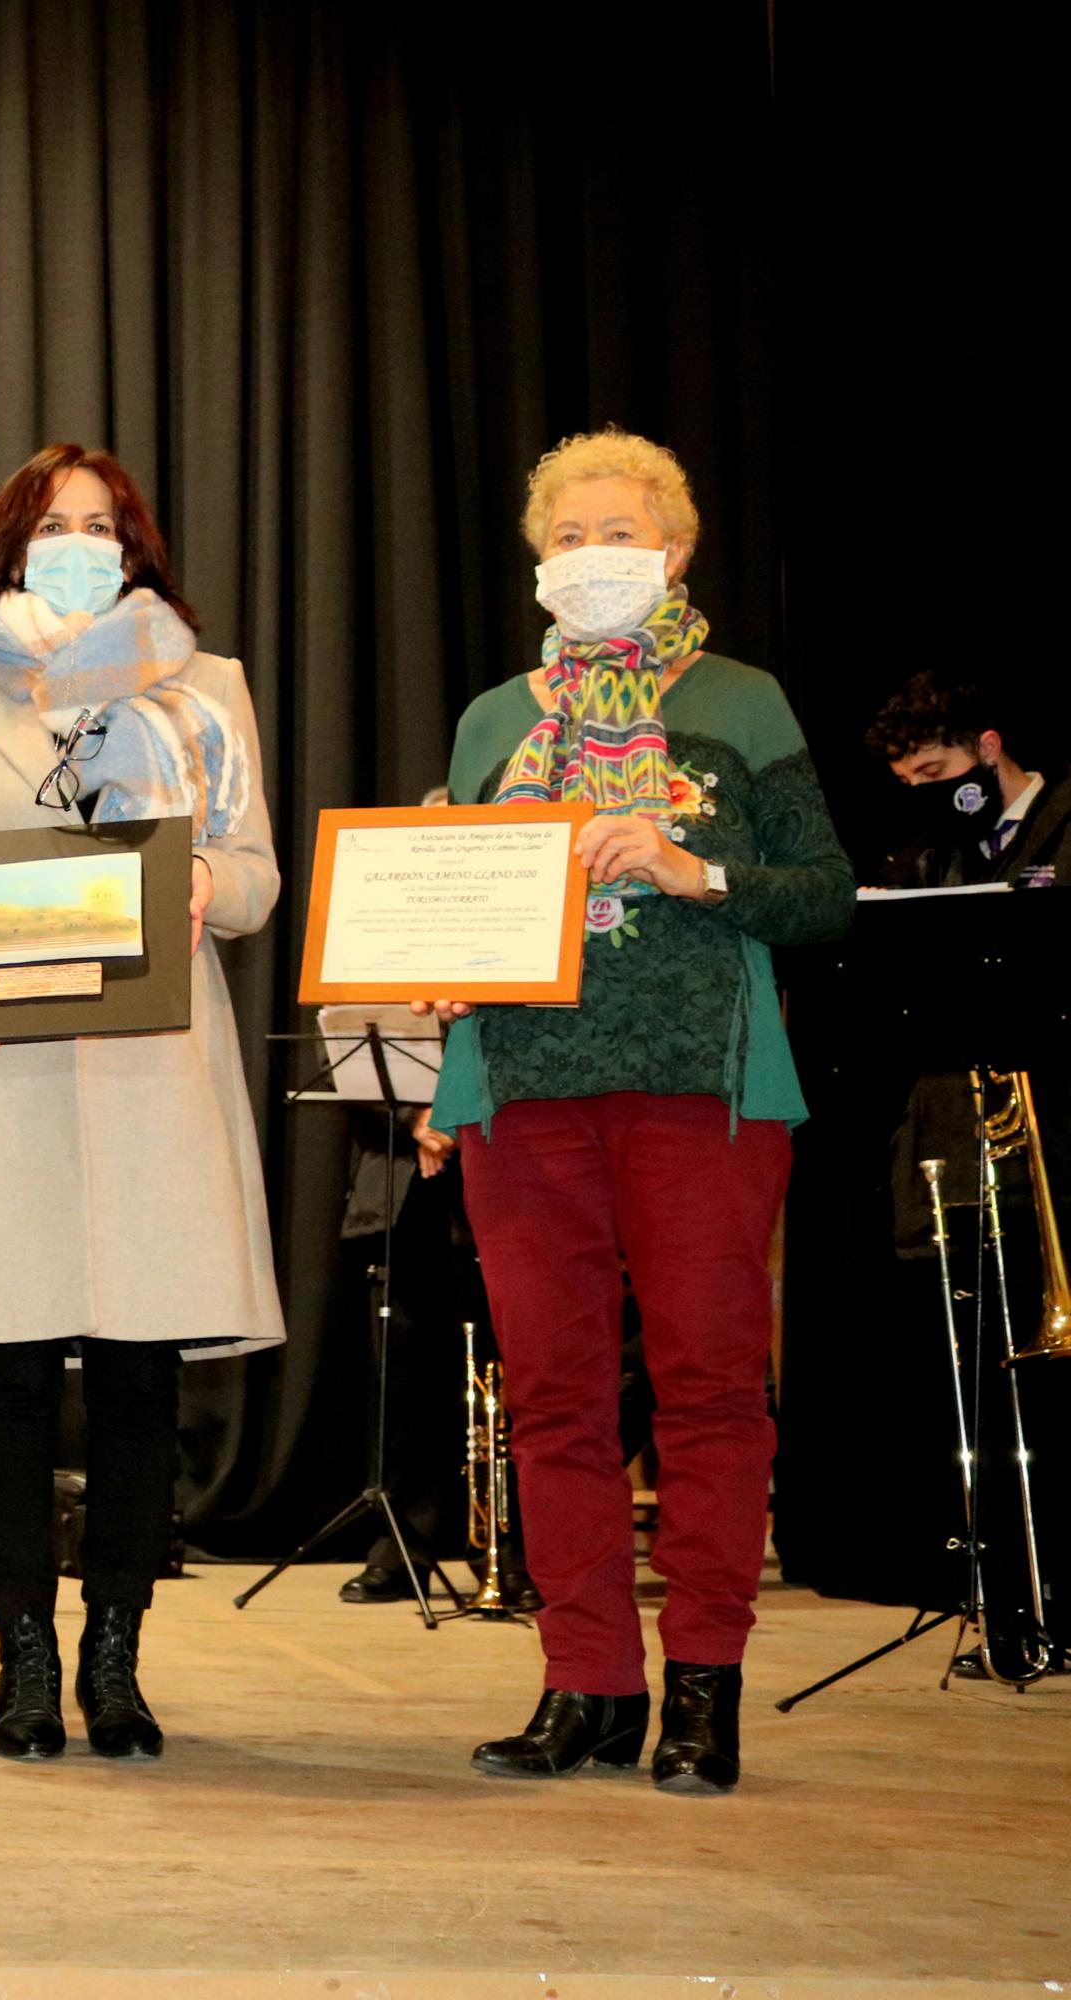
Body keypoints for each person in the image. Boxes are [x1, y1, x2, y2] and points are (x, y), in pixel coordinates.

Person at [424, 429, 852, 1794]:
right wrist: (437, 965)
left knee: (709, 1390)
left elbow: (824, 895)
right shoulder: (495, 721)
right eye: (569, 536)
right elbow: (463, 897)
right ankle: (589, 1683)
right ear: (538, 562)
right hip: (520, 1091)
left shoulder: (742, 700)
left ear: (673, 551)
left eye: (620, 533)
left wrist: (688, 866)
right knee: (552, 1399)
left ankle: (704, 1689)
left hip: (701, 1089)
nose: (593, 555)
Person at [0, 442, 284, 1761]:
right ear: (12, 548)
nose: (79, 544)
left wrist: (205, 884)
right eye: (53, 525)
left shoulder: (206, 687)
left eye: (102, 524)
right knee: (6, 1378)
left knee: (137, 1379)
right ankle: (24, 1660)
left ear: (136, 549)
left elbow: (255, 874)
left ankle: (115, 1658)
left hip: (151, 1073)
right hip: (1, 1070)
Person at [862, 673, 1063, 888]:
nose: (921, 791)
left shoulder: (1063, 824)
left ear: (988, 748)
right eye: (906, 782)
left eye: (932, 771)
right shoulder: (933, 859)